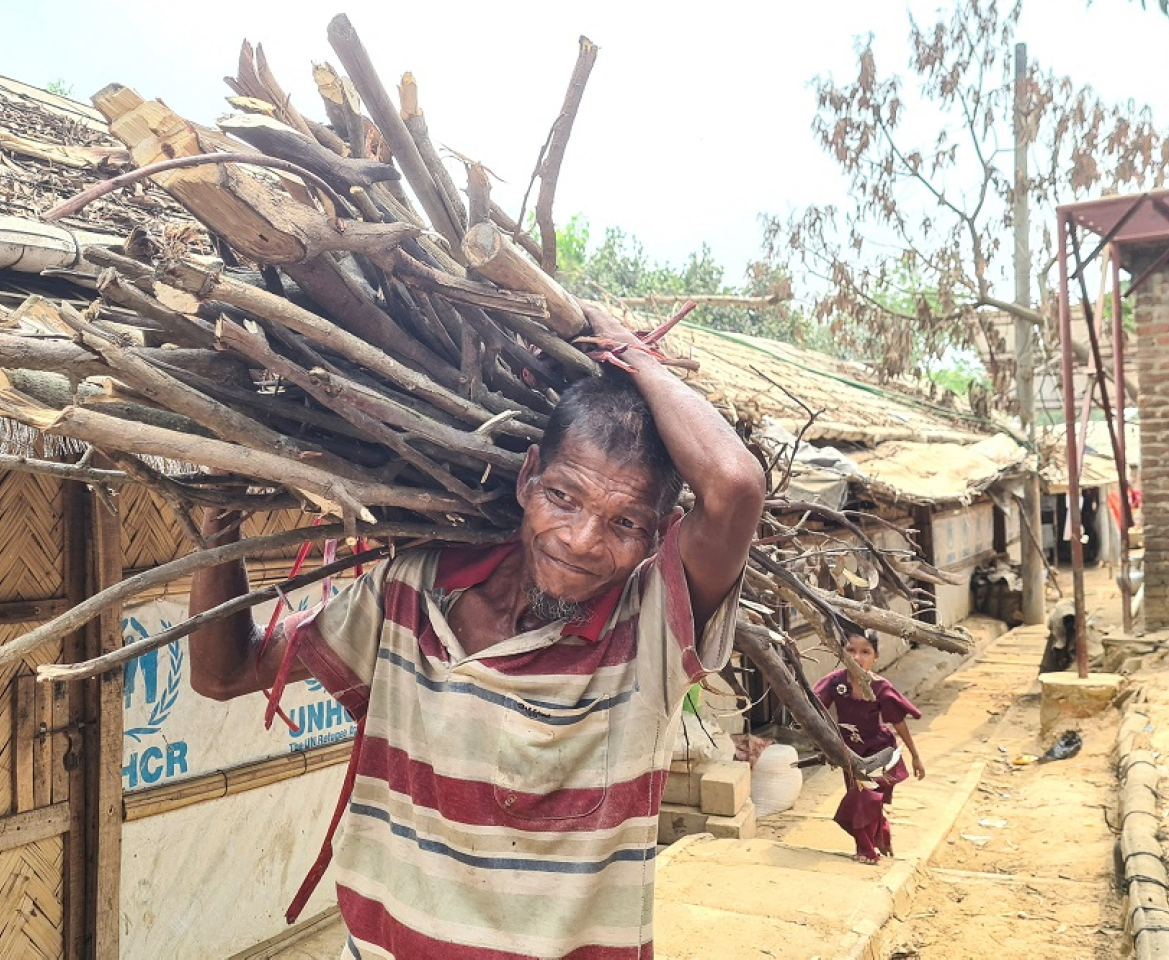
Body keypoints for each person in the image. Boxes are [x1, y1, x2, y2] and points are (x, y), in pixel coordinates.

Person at [187, 302, 765, 959]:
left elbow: (736, 485)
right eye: (563, 498)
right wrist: (220, 523)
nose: (579, 542)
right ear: (527, 479)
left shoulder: (647, 636)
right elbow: (223, 673)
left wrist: (633, 355)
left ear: (660, 536)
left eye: (624, 524)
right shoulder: (407, 592)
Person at [813, 630, 925, 865]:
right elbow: (812, 706)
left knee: (865, 798)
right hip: (850, 754)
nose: (857, 657)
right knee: (859, 801)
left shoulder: (880, 687)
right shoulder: (836, 682)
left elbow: (898, 722)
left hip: (879, 753)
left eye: (865, 652)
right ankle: (881, 830)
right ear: (842, 654)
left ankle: (866, 850)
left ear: (875, 657)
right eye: (851, 651)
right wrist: (825, 745)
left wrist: (915, 756)